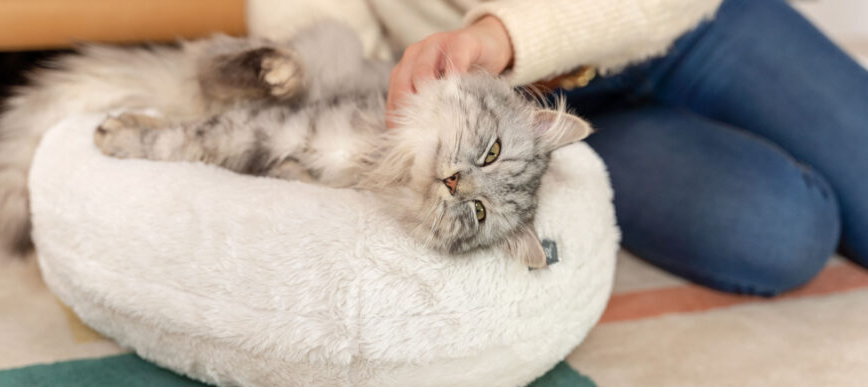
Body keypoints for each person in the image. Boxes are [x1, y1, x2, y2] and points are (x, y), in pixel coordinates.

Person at [248, 0, 868, 296]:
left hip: (686, 23)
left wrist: (505, 36)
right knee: (785, 232)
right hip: (531, 121)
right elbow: (313, 50)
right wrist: (395, 112)